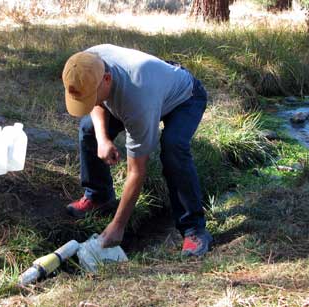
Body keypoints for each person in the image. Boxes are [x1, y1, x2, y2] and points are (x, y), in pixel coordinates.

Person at [61, 44, 212, 257]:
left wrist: (118, 225)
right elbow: (96, 104)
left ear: (106, 79)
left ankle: (194, 228)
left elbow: (137, 171)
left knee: (173, 147)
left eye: (91, 97)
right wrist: (103, 139)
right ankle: (99, 196)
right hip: (151, 85)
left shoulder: (137, 99)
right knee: (89, 129)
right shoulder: (85, 64)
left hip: (185, 97)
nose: (90, 102)